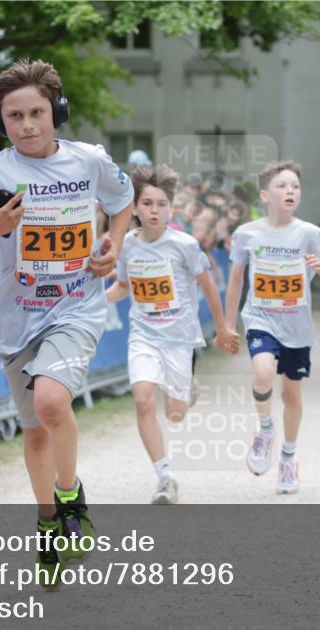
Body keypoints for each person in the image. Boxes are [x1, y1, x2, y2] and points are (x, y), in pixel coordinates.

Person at [0, 58, 134, 585]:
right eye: (14, 116)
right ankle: (48, 525)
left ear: (57, 113)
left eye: (37, 113)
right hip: (18, 314)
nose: (27, 125)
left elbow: (123, 200)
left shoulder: (89, 161)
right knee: (33, 434)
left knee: (53, 402)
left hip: (77, 303)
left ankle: (72, 499)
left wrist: (112, 244)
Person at [106, 165, 236, 504]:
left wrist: (222, 328)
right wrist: (96, 300)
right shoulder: (128, 246)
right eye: (147, 203)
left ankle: (187, 391)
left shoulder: (185, 245)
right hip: (143, 336)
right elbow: (122, 286)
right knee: (143, 399)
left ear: (171, 209)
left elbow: (208, 287)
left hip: (179, 338)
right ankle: (165, 477)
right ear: (134, 208)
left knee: (175, 414)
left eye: (161, 204)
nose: (154, 210)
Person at [223, 160, 320, 494]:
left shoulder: (309, 234)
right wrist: (228, 326)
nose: (290, 191)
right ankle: (265, 430)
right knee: (262, 373)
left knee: (291, 394)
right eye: (282, 186)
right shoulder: (247, 234)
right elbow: (235, 282)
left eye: (295, 187)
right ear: (264, 194)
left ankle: (288, 458)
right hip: (261, 319)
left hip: (297, 326)